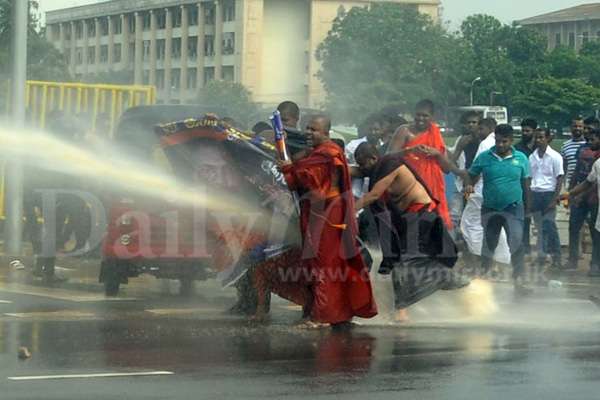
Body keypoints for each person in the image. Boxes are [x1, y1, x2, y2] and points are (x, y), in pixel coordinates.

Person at [279, 115, 377, 327]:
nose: (308, 132)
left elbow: (314, 185)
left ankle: (322, 316)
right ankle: (332, 312)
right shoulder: (317, 154)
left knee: (324, 265)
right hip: (318, 213)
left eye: (314, 129)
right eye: (307, 128)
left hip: (327, 213)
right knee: (319, 264)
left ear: (326, 132)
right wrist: (290, 168)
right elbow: (299, 181)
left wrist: (290, 168)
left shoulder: (328, 153)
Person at [354, 143, 469, 321]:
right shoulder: (378, 167)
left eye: (364, 164)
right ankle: (446, 282)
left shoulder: (389, 165)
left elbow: (374, 196)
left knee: (406, 261)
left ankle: (407, 306)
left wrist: (347, 212)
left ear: (374, 159)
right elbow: (355, 172)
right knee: (399, 260)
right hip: (407, 217)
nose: (363, 169)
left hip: (422, 213)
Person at [467, 124, 532, 295]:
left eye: (504, 141)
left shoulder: (521, 158)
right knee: (489, 244)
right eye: (497, 141)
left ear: (511, 140)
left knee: (516, 243)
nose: (500, 145)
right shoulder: (484, 157)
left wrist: (528, 209)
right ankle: (483, 280)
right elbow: (472, 174)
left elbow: (526, 185)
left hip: (514, 208)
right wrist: (468, 185)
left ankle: (519, 281)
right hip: (490, 208)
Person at [387, 99, 456, 228]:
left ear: (432, 117)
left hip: (431, 190)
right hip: (408, 187)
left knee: (431, 230)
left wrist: (437, 154)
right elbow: (388, 157)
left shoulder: (435, 134)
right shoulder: (404, 131)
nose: (421, 118)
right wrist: (409, 150)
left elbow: (446, 169)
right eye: (418, 114)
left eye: (425, 116)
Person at [529, 128, 564, 274]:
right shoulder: (532, 157)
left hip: (549, 194)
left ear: (547, 138)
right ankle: (542, 255)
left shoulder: (555, 156)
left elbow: (560, 177)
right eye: (536, 138)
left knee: (549, 224)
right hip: (536, 193)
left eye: (541, 137)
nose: (538, 140)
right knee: (539, 227)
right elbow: (530, 177)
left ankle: (557, 257)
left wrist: (555, 198)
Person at [567, 128, 600, 274]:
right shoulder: (598, 164)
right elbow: (588, 181)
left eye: (593, 139)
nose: (590, 142)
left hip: (593, 201)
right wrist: (569, 193)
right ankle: (594, 265)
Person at [448, 111, 481, 232]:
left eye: (474, 122)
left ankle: (469, 245)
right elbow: (450, 163)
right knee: (455, 216)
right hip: (461, 183)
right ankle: (453, 245)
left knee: (473, 216)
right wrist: (459, 148)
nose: (471, 125)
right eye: (468, 122)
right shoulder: (460, 140)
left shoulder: (483, 143)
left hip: (476, 184)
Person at [561, 116, 587, 187]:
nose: (577, 128)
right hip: (570, 183)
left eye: (580, 126)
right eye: (575, 126)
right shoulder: (565, 145)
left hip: (585, 183)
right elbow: (564, 166)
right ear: (571, 128)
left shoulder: (588, 144)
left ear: (584, 128)